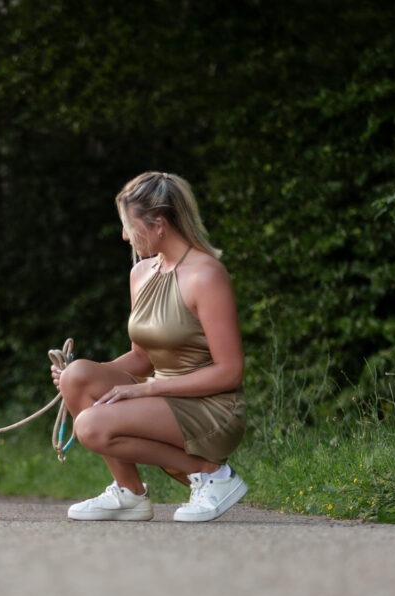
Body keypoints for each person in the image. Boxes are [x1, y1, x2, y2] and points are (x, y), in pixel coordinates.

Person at [51, 171, 248, 522]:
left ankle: (212, 474)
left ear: (158, 224)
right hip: (163, 397)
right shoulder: (140, 274)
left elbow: (230, 372)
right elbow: (142, 357)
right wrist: (79, 377)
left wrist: (148, 390)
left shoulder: (206, 274)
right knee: (77, 376)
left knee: (91, 426)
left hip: (211, 408)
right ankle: (130, 494)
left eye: (129, 225)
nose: (125, 235)